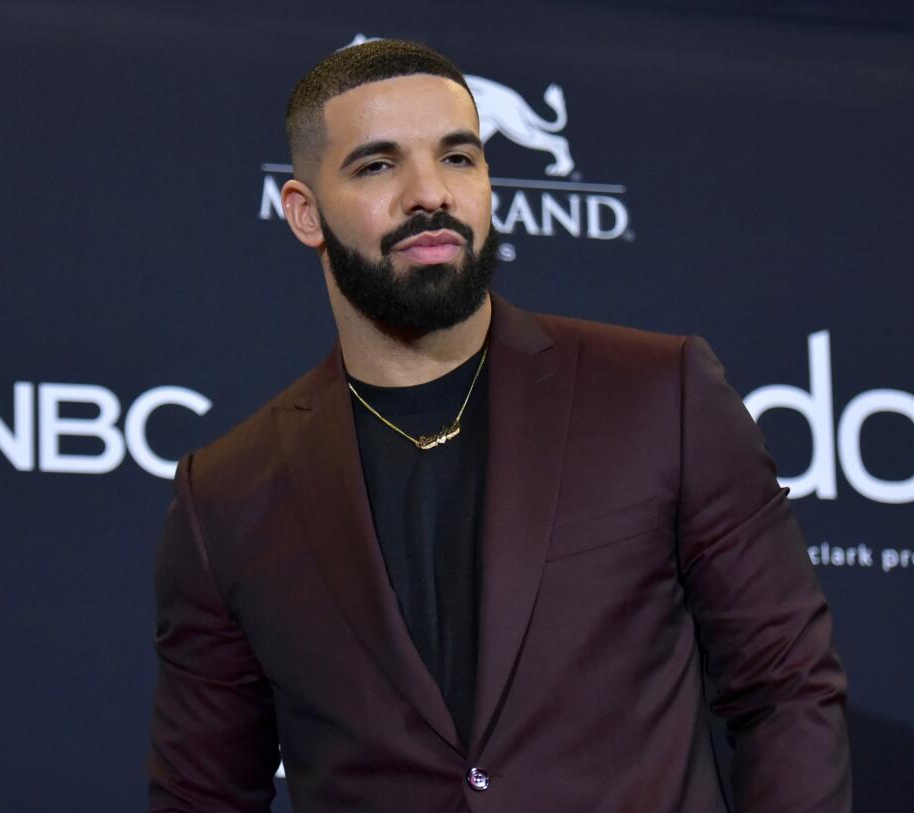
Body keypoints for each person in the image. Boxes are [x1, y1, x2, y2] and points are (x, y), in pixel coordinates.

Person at [148, 38, 850, 813]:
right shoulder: (227, 495)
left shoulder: (658, 394)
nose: (430, 193)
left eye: (459, 157)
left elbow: (785, 688)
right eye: (378, 165)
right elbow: (202, 793)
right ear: (304, 213)